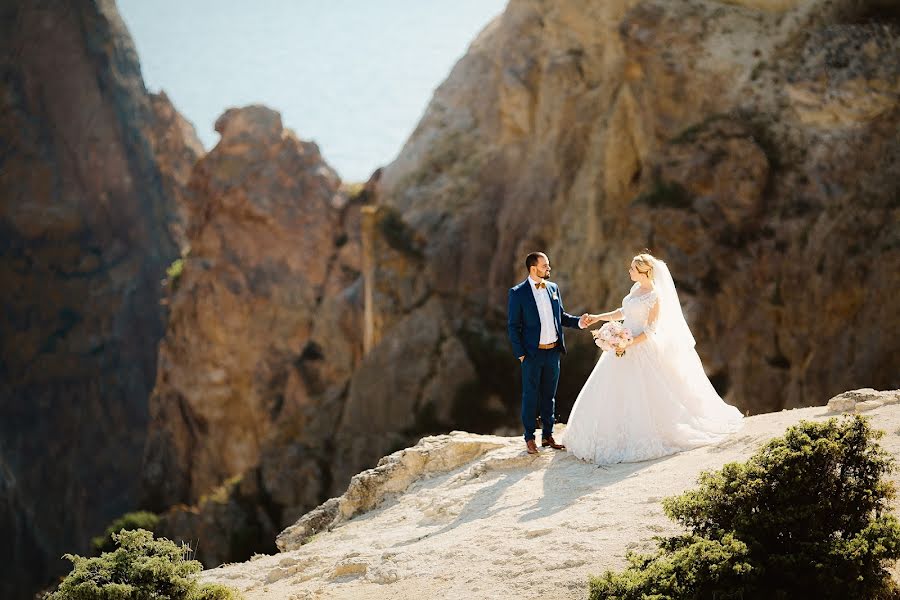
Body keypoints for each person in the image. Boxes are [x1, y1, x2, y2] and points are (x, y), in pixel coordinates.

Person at [561, 252, 743, 464]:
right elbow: (624, 312)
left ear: (644, 272)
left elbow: (650, 330)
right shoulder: (635, 289)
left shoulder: (655, 296)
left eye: (632, 269)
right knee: (612, 392)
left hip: (640, 347)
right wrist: (599, 318)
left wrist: (628, 343)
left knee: (643, 395)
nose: (629, 271)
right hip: (622, 345)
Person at [507, 252, 591, 454]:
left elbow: (560, 316)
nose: (549, 268)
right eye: (545, 265)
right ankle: (529, 437)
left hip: (553, 352)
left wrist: (580, 321)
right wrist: (521, 354)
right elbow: (513, 326)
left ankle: (548, 436)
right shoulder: (517, 293)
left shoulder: (553, 288)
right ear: (533, 268)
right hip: (531, 355)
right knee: (530, 396)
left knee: (549, 396)